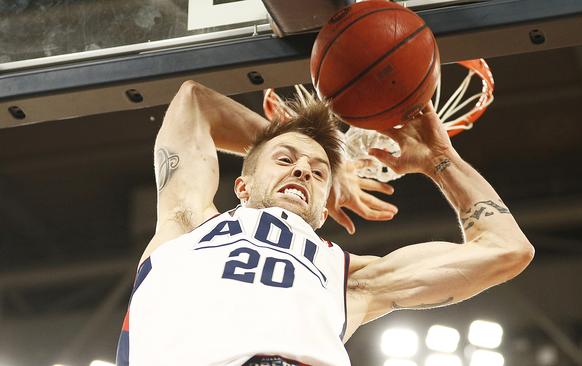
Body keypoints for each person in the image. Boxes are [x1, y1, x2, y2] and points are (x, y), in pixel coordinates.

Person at [116, 80, 534, 366]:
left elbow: (506, 250)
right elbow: (193, 101)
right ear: (241, 186)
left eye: (317, 174)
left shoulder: (348, 277)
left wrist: (441, 160)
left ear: (321, 211)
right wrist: (328, 160)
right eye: (285, 163)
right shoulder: (188, 222)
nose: (302, 171)